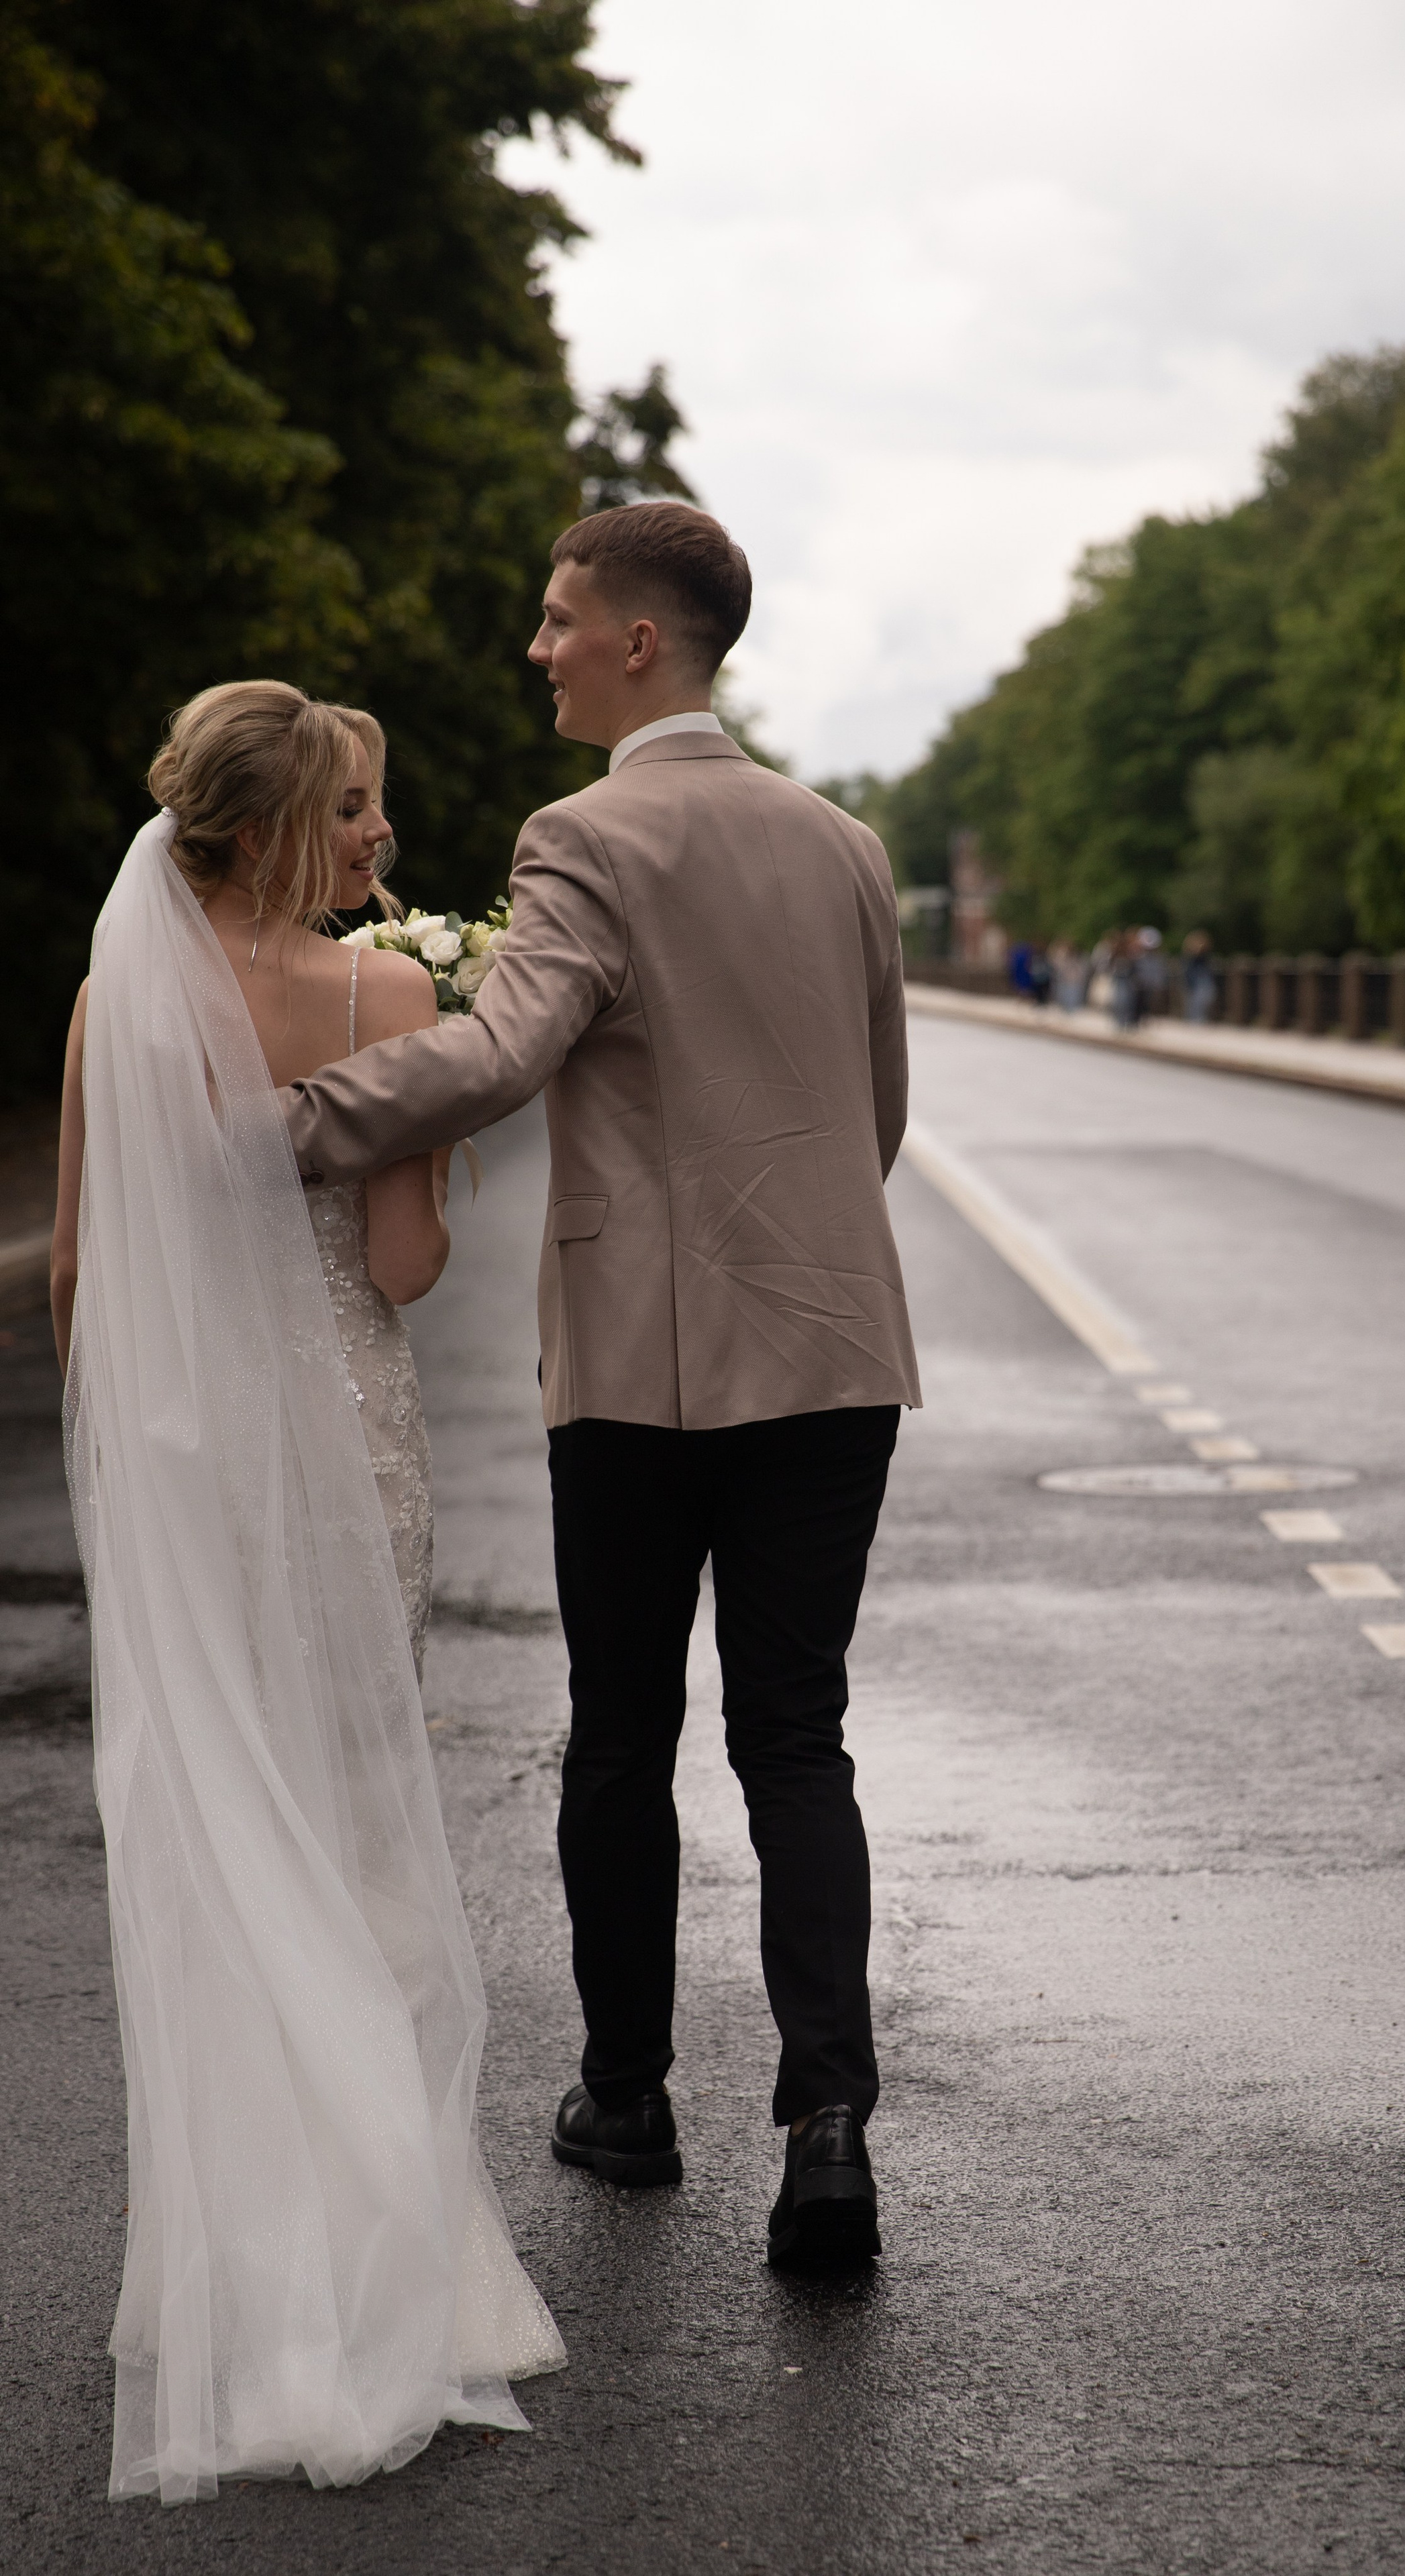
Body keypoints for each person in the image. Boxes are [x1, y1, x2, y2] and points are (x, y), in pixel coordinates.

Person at [276, 502, 921, 2269]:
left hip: (642, 1373)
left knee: (625, 1736)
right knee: (798, 1738)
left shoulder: (587, 834)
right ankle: (832, 2119)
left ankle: (628, 2100)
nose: (540, 648)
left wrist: (276, 1126)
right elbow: (875, 1117)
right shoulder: (845, 844)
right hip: (836, 1353)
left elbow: (499, 1054)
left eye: (562, 621)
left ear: (644, 641)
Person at [52, 682, 566, 2505]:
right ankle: (390, 2259)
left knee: (223, 1837)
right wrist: (433, 1156)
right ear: (285, 829)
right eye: (356, 813)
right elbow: (411, 1270)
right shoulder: (387, 1000)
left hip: (183, 1472)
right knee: (355, 1834)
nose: (381, 845)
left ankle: (240, 2270)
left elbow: (81, 1297)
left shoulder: (115, 1010)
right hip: (348, 1453)